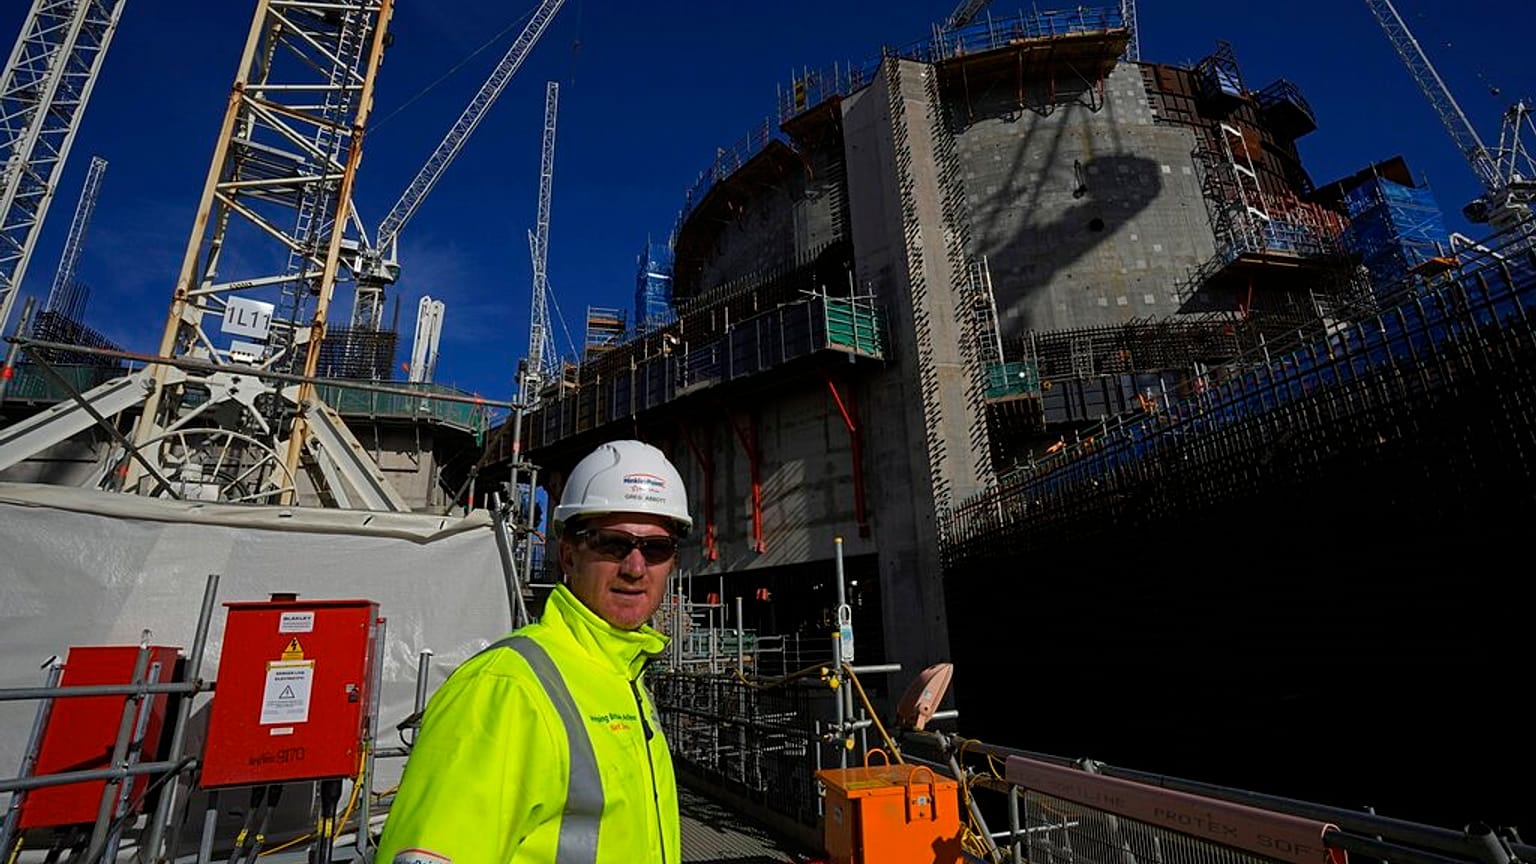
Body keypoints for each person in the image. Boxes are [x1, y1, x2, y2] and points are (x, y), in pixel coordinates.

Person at [376, 439, 690, 864]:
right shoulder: (505, 689)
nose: (635, 568)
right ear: (568, 555)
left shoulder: (623, 679)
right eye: (612, 544)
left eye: (655, 549)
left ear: (671, 561)